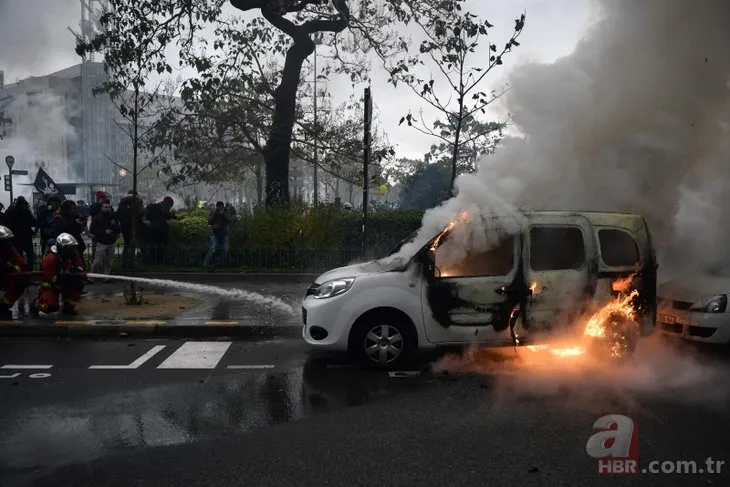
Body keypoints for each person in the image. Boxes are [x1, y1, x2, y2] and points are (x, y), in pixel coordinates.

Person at [33, 233, 86, 316]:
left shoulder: (73, 254)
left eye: (72, 247)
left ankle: (68, 306)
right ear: (62, 248)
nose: (72, 250)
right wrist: (63, 276)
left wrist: (76, 270)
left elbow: (80, 266)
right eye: (69, 248)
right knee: (50, 308)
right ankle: (37, 303)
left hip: (67, 281)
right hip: (52, 285)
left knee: (79, 283)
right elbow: (48, 277)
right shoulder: (51, 258)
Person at [0, 226, 30, 320]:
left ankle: (3, 306)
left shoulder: (9, 248)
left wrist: (12, 269)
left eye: (9, 240)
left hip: (4, 275)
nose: (9, 243)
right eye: (6, 240)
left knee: (21, 284)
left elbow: (22, 263)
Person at [2, 196, 38, 271]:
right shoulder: (26, 211)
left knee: (18, 257)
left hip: (15, 237)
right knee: (30, 257)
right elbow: (34, 222)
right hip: (26, 237)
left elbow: (4, 222)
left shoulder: (11, 210)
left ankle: (19, 274)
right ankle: (29, 273)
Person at [89, 201, 120, 281]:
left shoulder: (113, 217)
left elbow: (118, 227)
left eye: (108, 207)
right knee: (97, 261)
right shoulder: (97, 217)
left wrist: (114, 231)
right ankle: (91, 276)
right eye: (105, 207)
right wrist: (103, 231)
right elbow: (92, 229)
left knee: (109, 261)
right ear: (102, 208)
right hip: (101, 241)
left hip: (111, 241)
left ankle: (106, 276)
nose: (107, 209)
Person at [116, 191, 145, 270]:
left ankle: (124, 264)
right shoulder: (138, 201)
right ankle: (130, 265)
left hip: (124, 227)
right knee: (132, 245)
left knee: (126, 245)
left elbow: (118, 215)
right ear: (136, 194)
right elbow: (141, 212)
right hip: (134, 226)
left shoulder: (122, 201)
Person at [144, 196, 176, 265]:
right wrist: (173, 214)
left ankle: (152, 262)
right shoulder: (164, 208)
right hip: (162, 231)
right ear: (168, 203)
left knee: (153, 247)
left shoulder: (151, 206)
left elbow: (146, 214)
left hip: (152, 230)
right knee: (162, 247)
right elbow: (169, 216)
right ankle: (160, 262)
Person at [203, 201, 231, 270]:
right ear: (217, 207)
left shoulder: (226, 212)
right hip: (214, 233)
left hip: (223, 233)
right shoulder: (213, 212)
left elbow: (229, 220)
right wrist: (214, 214)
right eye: (218, 207)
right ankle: (205, 263)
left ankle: (222, 264)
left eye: (221, 207)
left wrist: (223, 214)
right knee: (212, 248)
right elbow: (209, 220)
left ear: (223, 207)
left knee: (225, 249)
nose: (219, 208)